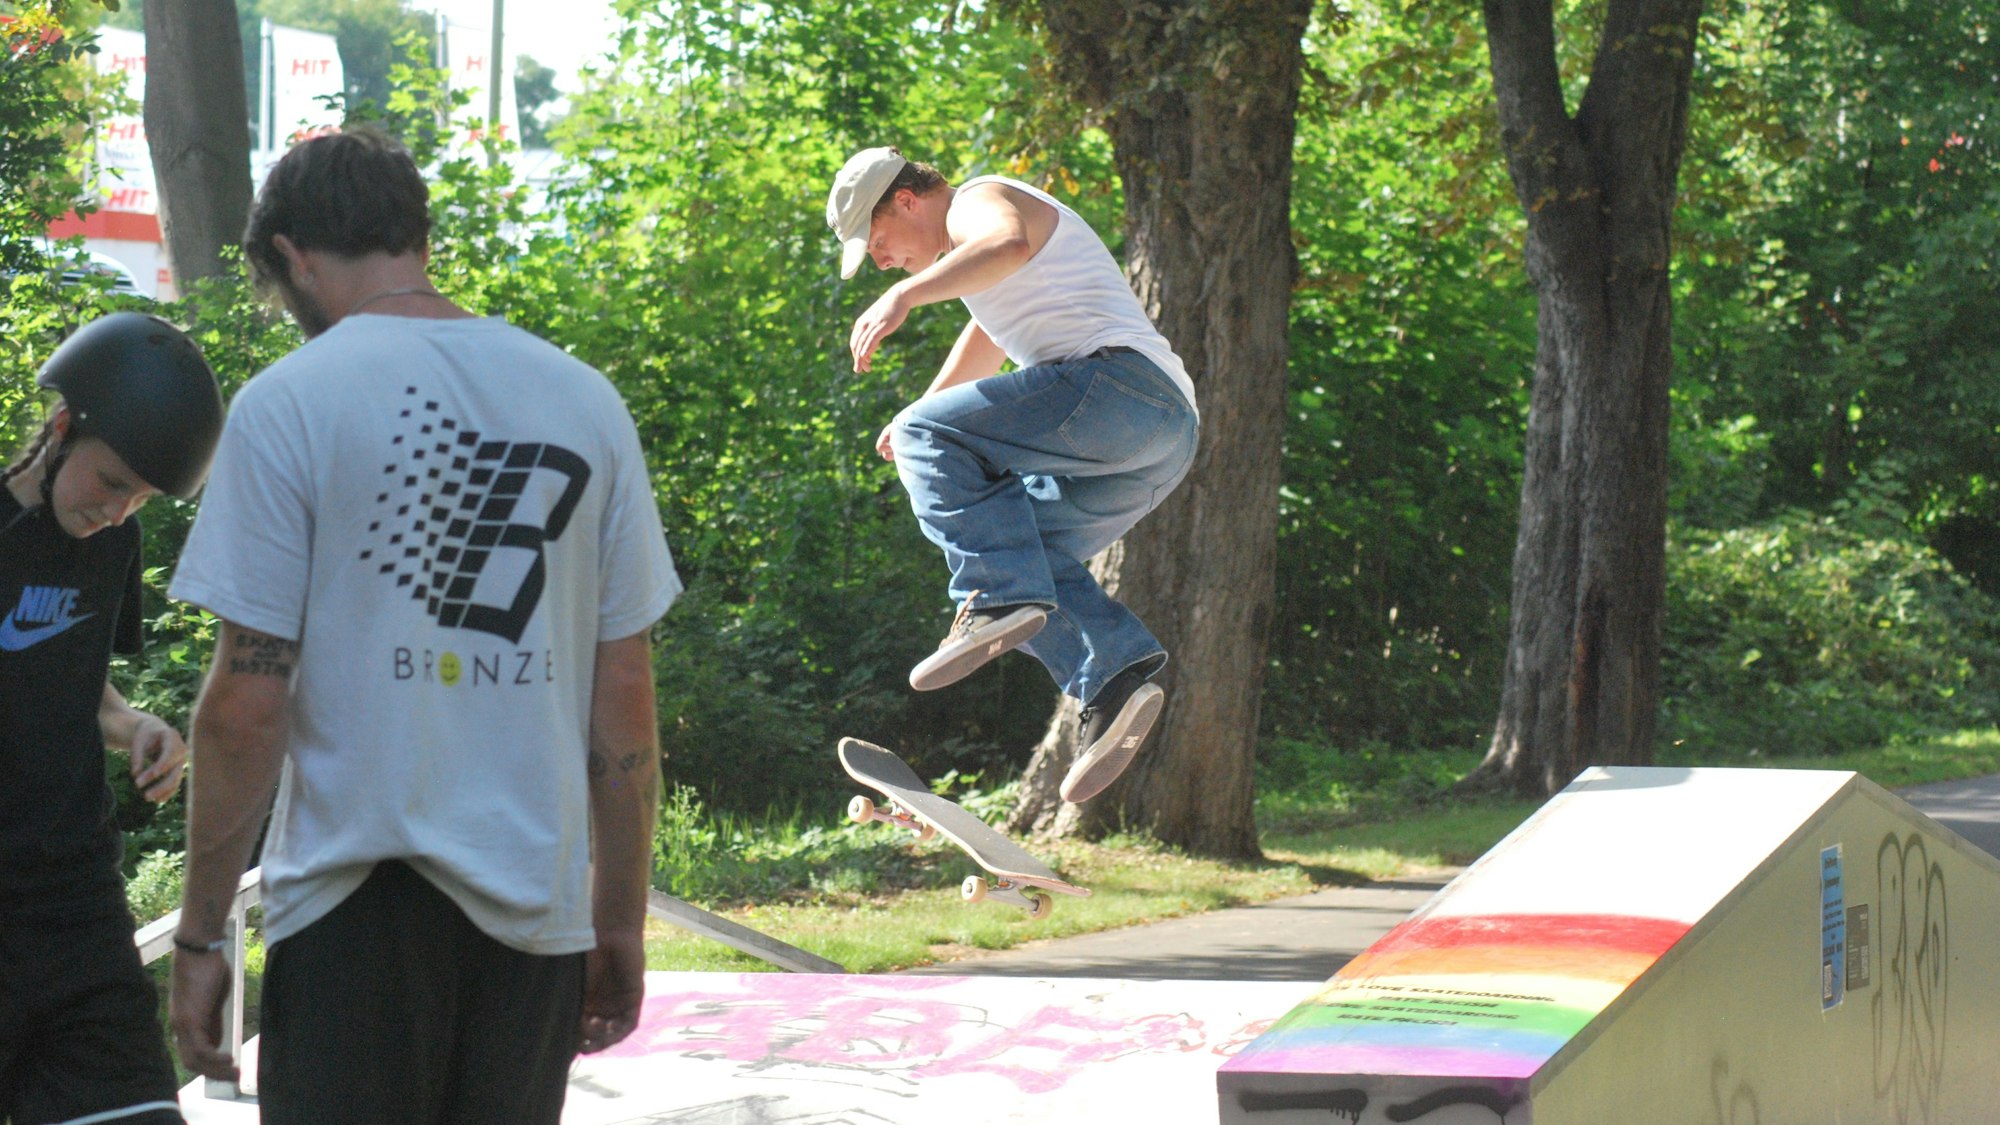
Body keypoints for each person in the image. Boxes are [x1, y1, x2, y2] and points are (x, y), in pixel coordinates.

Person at [166, 126, 681, 1124]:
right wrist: (616, 916)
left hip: (353, 909)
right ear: (420, 238)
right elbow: (622, 690)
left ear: (292, 256)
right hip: (533, 914)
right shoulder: (584, 402)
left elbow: (245, 705)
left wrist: (200, 936)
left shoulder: (288, 405)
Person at [826, 146, 1199, 803]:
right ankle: (1110, 676)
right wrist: (917, 413)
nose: (882, 262)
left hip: (1120, 391)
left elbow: (1008, 243)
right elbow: (989, 338)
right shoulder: (982, 273)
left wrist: (904, 297)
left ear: (907, 200)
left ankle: (997, 599)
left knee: (997, 566)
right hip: (1160, 439)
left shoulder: (978, 200)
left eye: (879, 243)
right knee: (1022, 547)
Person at [1, 311, 225, 1125]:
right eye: (111, 481)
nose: (120, 510)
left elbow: (77, 679)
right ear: (62, 429)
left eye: (141, 497)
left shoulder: (110, 546)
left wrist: (138, 727)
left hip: (78, 911)